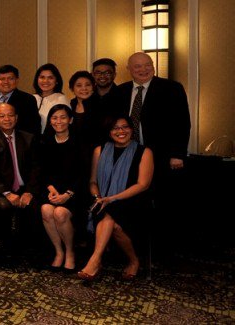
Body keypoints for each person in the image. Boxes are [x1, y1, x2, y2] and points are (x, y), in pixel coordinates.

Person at [112, 52, 190, 261]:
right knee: (134, 203)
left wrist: (177, 154)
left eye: (147, 65)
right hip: (130, 156)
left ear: (153, 66)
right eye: (137, 66)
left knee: (162, 204)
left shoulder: (172, 88)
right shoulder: (120, 91)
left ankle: (162, 251)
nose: (143, 69)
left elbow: (182, 123)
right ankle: (134, 248)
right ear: (129, 69)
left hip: (162, 157)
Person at [79, 116, 153, 281]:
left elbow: (143, 185)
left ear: (132, 129)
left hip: (133, 201)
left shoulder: (144, 152)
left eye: (125, 127)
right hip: (103, 199)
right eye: (115, 128)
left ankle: (95, 261)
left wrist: (112, 198)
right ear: (109, 132)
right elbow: (92, 181)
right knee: (114, 223)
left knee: (111, 211)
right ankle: (133, 261)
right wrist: (99, 197)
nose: (121, 131)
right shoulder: (100, 150)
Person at [0, 103, 40, 254]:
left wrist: (29, 192)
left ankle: (28, 247)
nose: (7, 119)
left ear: (16, 118)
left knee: (34, 206)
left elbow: (36, 168)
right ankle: (5, 248)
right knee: (4, 206)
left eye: (10, 115)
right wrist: (7, 193)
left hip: (25, 188)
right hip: (2, 189)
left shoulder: (28, 138)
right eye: (2, 116)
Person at [37, 105, 85, 272]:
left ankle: (70, 252)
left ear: (70, 120)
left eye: (63, 117)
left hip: (76, 192)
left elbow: (83, 173)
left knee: (60, 213)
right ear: (50, 121)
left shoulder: (80, 142)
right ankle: (58, 251)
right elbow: (41, 171)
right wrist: (51, 189)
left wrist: (68, 194)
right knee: (46, 209)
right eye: (55, 118)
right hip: (52, 190)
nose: (59, 121)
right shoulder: (45, 141)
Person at [0, 65, 40, 135]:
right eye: (2, 79)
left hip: (18, 143)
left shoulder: (28, 99)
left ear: (17, 80)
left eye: (10, 78)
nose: (6, 82)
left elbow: (34, 127)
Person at [68, 71, 110, 149]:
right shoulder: (70, 105)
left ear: (93, 87)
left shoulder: (101, 105)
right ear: (72, 88)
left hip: (97, 151)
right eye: (79, 85)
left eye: (88, 85)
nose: (84, 88)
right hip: (74, 151)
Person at [32, 63, 69, 133]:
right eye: (42, 77)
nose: (45, 81)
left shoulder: (61, 99)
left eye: (50, 78)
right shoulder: (32, 98)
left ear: (57, 81)